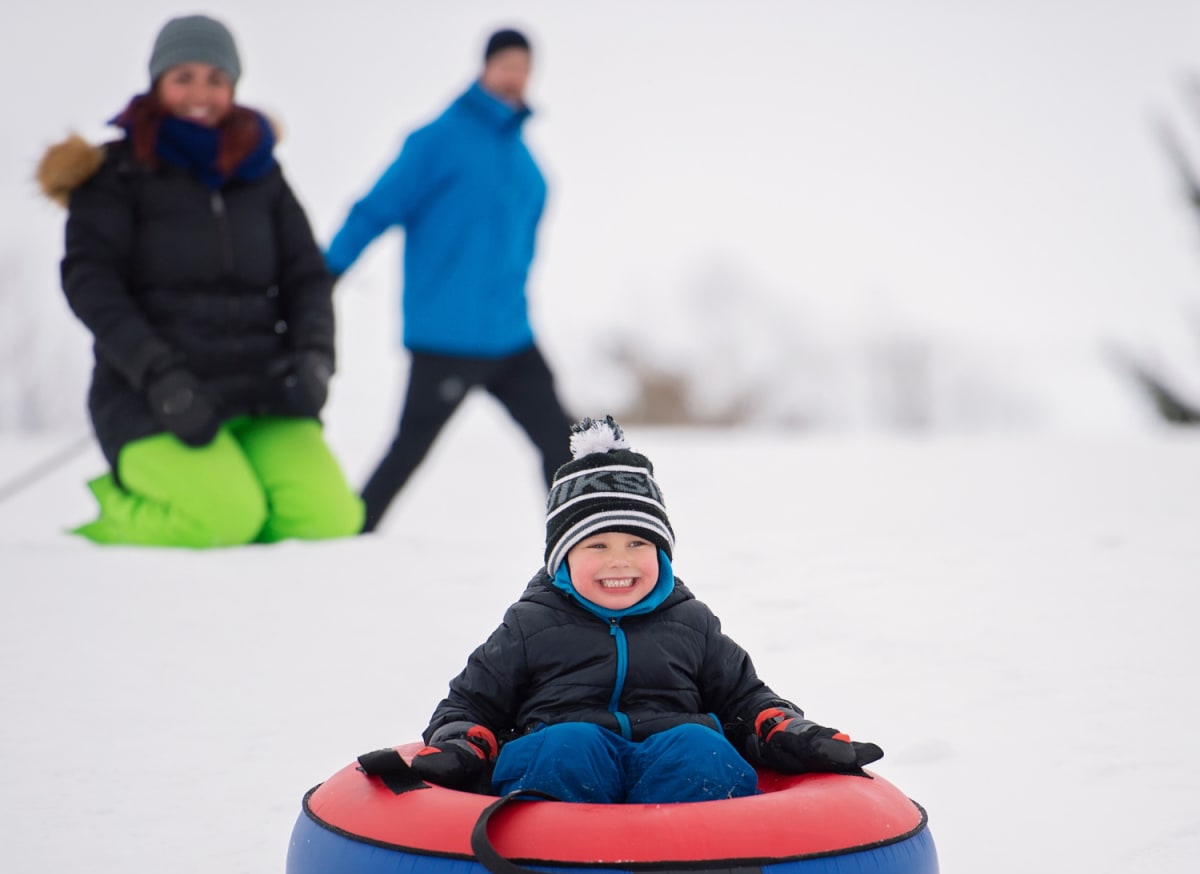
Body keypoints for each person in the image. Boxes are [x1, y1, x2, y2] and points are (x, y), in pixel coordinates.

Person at [408, 416, 883, 804]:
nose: (620, 560)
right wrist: (461, 744)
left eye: (638, 542)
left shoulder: (691, 622)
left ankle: (704, 873)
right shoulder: (531, 624)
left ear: (662, 554)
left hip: (674, 774)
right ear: (562, 559)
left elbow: (747, 701)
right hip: (564, 780)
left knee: (700, 748)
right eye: (596, 544)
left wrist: (793, 733)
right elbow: (470, 703)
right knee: (571, 744)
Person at [38, 14, 363, 547]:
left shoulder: (260, 172)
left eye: (216, 79)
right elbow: (90, 281)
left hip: (263, 391)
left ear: (233, 87)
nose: (200, 93)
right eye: (183, 77)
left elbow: (306, 274)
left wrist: (315, 357)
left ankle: (242, 497)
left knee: (328, 519)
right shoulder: (115, 172)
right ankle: (110, 515)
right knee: (222, 520)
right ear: (157, 82)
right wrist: (159, 375)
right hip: (154, 396)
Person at [324, 27, 572, 533]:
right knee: (409, 449)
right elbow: (375, 209)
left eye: (524, 68)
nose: (514, 77)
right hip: (446, 336)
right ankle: (349, 535)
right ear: (483, 68)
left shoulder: (524, 160)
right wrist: (324, 273)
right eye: (505, 65)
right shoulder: (438, 139)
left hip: (511, 334)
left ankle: (579, 541)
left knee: (562, 442)